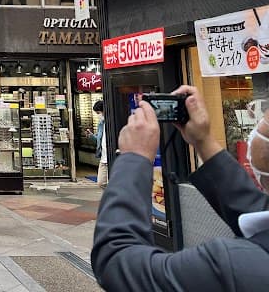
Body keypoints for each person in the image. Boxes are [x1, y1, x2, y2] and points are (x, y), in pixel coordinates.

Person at [91, 85, 269, 291]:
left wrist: (134, 159)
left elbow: (115, 260)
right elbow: (254, 210)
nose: (259, 124)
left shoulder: (233, 267)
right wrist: (203, 140)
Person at [86, 100, 107, 188]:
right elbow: (99, 139)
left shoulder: (112, 122)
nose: (98, 115)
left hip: (111, 158)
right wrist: (91, 136)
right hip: (103, 158)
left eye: (98, 112)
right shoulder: (101, 124)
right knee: (101, 183)